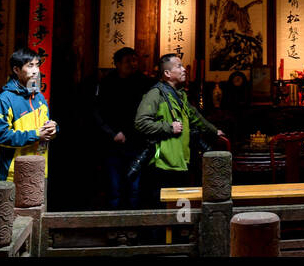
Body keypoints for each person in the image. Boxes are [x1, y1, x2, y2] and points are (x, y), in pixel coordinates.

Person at [134, 54, 225, 203]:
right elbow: (140, 122)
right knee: (162, 212)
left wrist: (214, 131)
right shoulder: (155, 94)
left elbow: (195, 116)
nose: (184, 70)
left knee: (180, 210)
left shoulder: (180, 95)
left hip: (181, 161)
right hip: (163, 163)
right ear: (167, 73)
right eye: (179, 66)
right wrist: (168, 127)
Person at [94, 46, 153, 209]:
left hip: (137, 143)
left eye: (135, 60)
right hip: (113, 143)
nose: (133, 64)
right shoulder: (107, 83)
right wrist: (112, 133)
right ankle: (114, 227)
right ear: (117, 64)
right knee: (114, 188)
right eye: (128, 61)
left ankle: (132, 227)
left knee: (135, 188)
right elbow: (97, 113)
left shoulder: (144, 82)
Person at [0, 48, 56, 182]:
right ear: (16, 70)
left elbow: (45, 128)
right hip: (13, 174)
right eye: (30, 65)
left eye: (37, 65)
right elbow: (0, 136)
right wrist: (36, 134)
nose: (36, 70)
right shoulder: (5, 99)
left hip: (39, 171)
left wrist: (53, 128)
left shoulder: (39, 97)